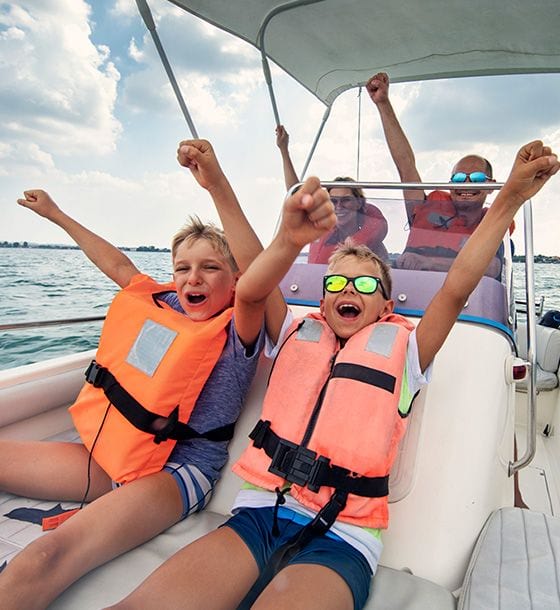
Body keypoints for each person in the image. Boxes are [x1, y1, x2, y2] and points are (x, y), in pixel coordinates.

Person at [107, 140, 558, 610]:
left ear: (386, 306)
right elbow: (250, 264)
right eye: (336, 282)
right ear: (322, 302)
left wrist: (507, 199)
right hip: (259, 515)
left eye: (365, 283)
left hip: (343, 537)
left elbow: (455, 288)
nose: (349, 289)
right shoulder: (293, 332)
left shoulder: (407, 352)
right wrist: (217, 182)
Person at [0, 140, 277, 610]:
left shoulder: (239, 327)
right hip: (119, 454)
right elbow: (117, 264)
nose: (194, 279)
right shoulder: (164, 303)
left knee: (41, 557)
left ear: (233, 280)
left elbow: (258, 277)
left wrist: (216, 184)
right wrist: (56, 214)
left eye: (211, 268)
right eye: (183, 268)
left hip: (178, 471)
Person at [367, 72, 508, 277]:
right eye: (459, 179)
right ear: (451, 184)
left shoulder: (492, 224)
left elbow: (492, 268)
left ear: (490, 186)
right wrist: (383, 103)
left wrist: (428, 262)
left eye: (476, 178)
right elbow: (405, 165)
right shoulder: (425, 208)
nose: (466, 185)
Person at [276, 125, 389, 262]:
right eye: (333, 201)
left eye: (346, 200)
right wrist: (284, 150)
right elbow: (295, 194)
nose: (339, 206)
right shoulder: (321, 226)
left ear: (359, 203)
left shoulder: (375, 247)